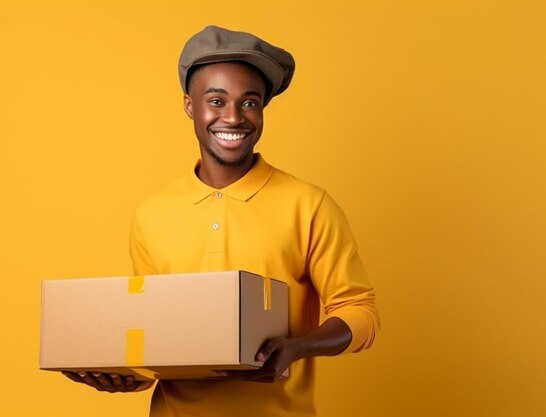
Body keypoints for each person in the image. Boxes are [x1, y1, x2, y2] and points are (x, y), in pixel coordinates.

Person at [63, 25, 379, 416]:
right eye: (216, 100)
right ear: (190, 106)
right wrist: (126, 376)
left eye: (250, 103)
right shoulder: (152, 213)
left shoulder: (309, 204)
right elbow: (156, 338)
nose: (234, 117)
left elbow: (360, 313)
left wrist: (296, 348)